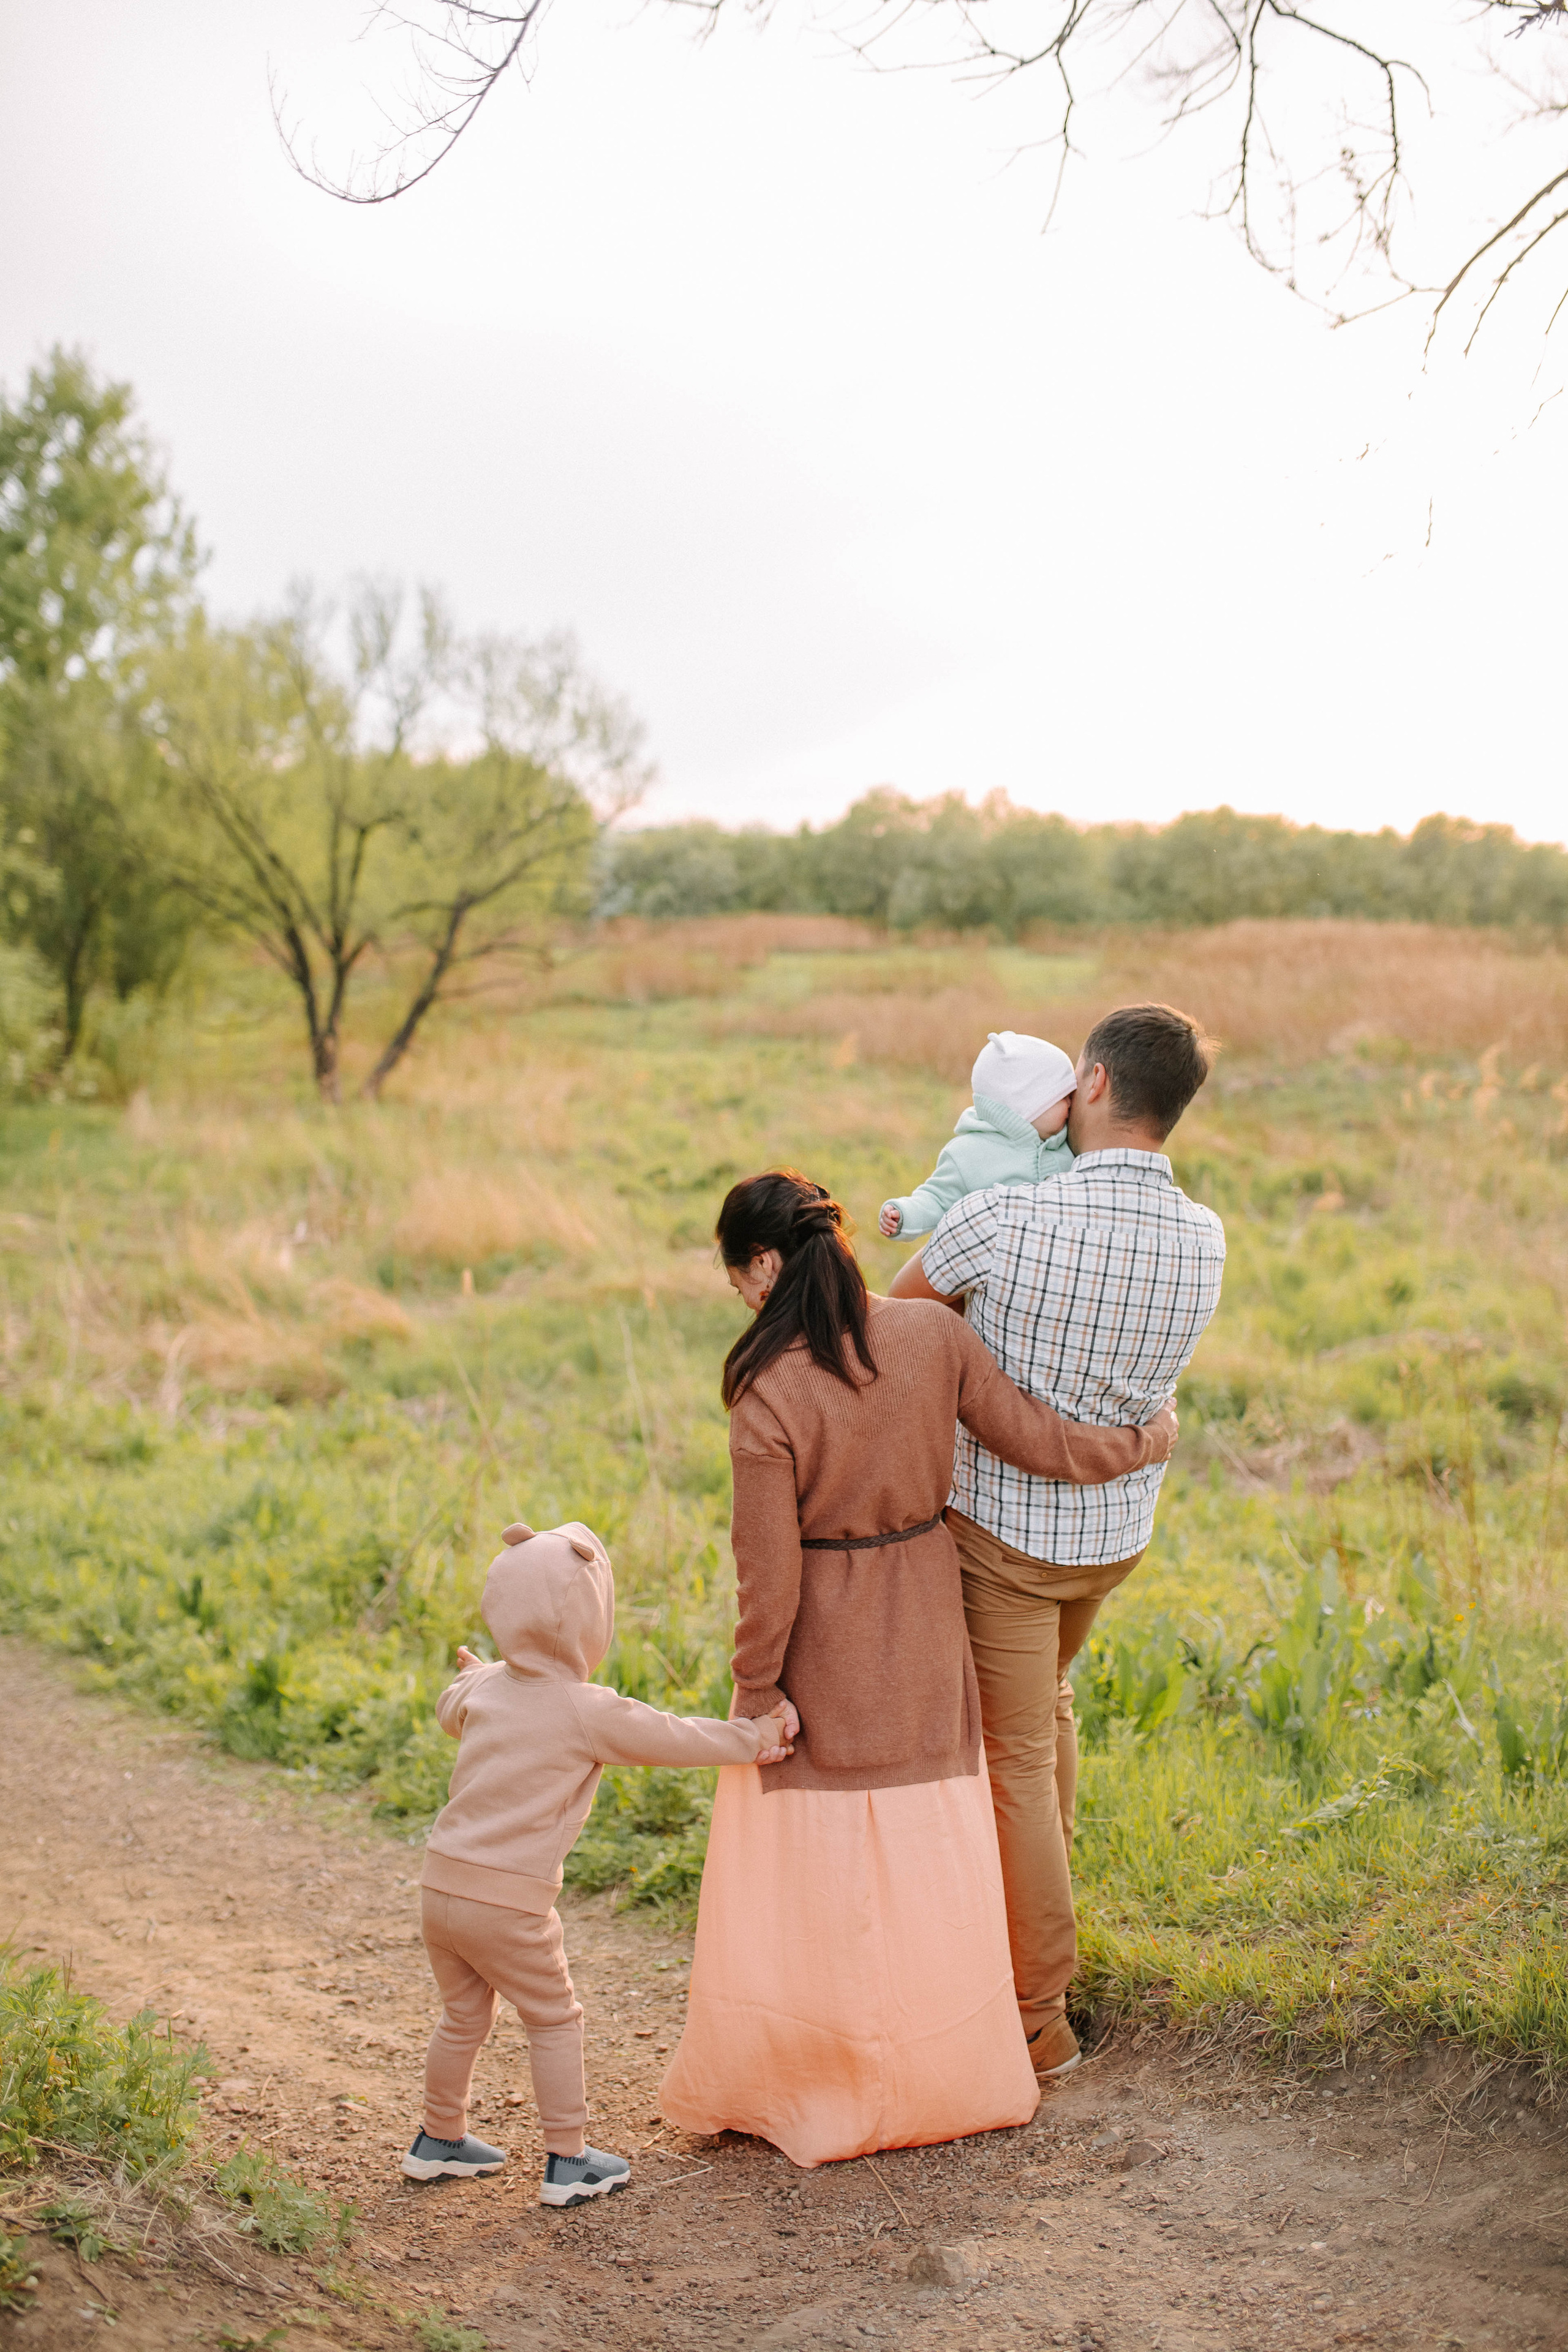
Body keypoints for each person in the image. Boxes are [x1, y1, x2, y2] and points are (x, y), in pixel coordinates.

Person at [658, 1169, 1177, 2169]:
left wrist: (756, 1690)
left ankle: (837, 2074)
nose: (742, 1299)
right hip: (929, 1616)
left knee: (831, 1866)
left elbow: (765, 1580)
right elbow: (1040, 1444)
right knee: (926, 1850)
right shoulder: (933, 1338)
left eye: (738, 1281)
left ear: (763, 1265)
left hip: (831, 1640)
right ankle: (945, 2065)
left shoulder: (767, 1393)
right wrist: (1145, 1441)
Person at [891, 1001, 1226, 2081]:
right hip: (1116, 1535)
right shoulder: (1206, 1237)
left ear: (1088, 1084)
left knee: (1016, 1764)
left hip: (1004, 1541)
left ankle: (1035, 2017)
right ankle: (1037, 1910)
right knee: (1052, 1715)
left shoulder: (1003, 1222)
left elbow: (899, 1332)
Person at [405, 1518, 792, 2204]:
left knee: (462, 2017)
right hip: (508, 1902)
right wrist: (751, 1738)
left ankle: (439, 2140)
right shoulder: (585, 1709)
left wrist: (473, 1677)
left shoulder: (485, 1687)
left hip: (440, 1887)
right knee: (553, 2018)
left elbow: (450, 1708)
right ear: (590, 1618)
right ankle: (568, 2158)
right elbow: (671, 1736)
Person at [878, 1030, 1077, 1238]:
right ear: (1029, 1104)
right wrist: (903, 1215)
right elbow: (936, 1199)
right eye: (1063, 1096)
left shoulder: (1070, 1144)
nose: (1072, 1103)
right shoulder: (967, 1155)